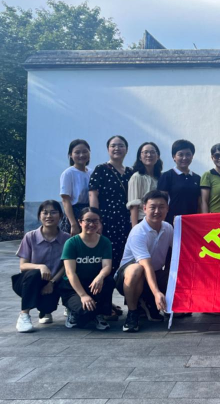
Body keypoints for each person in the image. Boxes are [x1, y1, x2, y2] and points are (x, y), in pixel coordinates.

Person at [116, 190, 172, 332]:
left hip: (154, 273)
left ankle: (150, 303)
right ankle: (132, 312)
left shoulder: (168, 228)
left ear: (167, 209)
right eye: (153, 207)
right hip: (129, 277)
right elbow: (146, 266)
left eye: (161, 207)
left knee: (174, 273)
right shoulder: (138, 232)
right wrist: (157, 293)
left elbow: (175, 254)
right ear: (144, 208)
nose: (157, 211)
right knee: (137, 269)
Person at [13, 200, 70, 332]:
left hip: (53, 283)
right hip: (30, 282)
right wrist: (40, 267)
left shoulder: (67, 239)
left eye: (53, 212)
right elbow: (23, 266)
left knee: (48, 306)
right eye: (45, 213)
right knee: (34, 273)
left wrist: (51, 282)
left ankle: (45, 311)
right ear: (39, 216)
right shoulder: (30, 237)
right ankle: (24, 315)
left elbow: (65, 266)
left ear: (61, 216)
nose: (49, 216)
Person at [60, 207, 115, 330]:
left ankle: (99, 314)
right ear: (80, 222)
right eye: (88, 220)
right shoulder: (71, 243)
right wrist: (83, 295)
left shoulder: (105, 242)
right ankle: (73, 312)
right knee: (85, 314)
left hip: (94, 284)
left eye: (95, 221)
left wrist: (100, 276)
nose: (92, 224)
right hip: (73, 288)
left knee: (109, 280)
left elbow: (107, 266)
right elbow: (70, 273)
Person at [89, 135, 133, 274]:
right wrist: (96, 221)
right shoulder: (101, 169)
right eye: (113, 145)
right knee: (106, 254)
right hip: (107, 219)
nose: (117, 148)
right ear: (108, 149)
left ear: (126, 149)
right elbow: (93, 195)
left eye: (121, 145)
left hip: (125, 220)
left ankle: (124, 284)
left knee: (125, 254)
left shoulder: (130, 172)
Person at [158, 139, 202, 225]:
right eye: (180, 155)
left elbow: (199, 203)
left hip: (192, 222)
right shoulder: (167, 176)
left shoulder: (197, 178)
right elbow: (161, 202)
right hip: (172, 221)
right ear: (174, 157)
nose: (184, 158)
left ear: (192, 156)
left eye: (188, 154)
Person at [60, 139, 92, 235]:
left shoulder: (91, 172)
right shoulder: (68, 173)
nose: (81, 155)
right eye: (77, 152)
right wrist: (73, 224)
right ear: (70, 155)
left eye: (85, 151)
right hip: (74, 214)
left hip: (89, 212)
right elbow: (65, 200)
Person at [128, 142, 163, 227]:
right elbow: (134, 205)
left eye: (152, 152)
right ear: (140, 157)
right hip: (142, 221)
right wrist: (135, 228)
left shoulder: (161, 177)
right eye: (145, 152)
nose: (149, 155)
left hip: (159, 220)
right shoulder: (137, 177)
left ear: (158, 156)